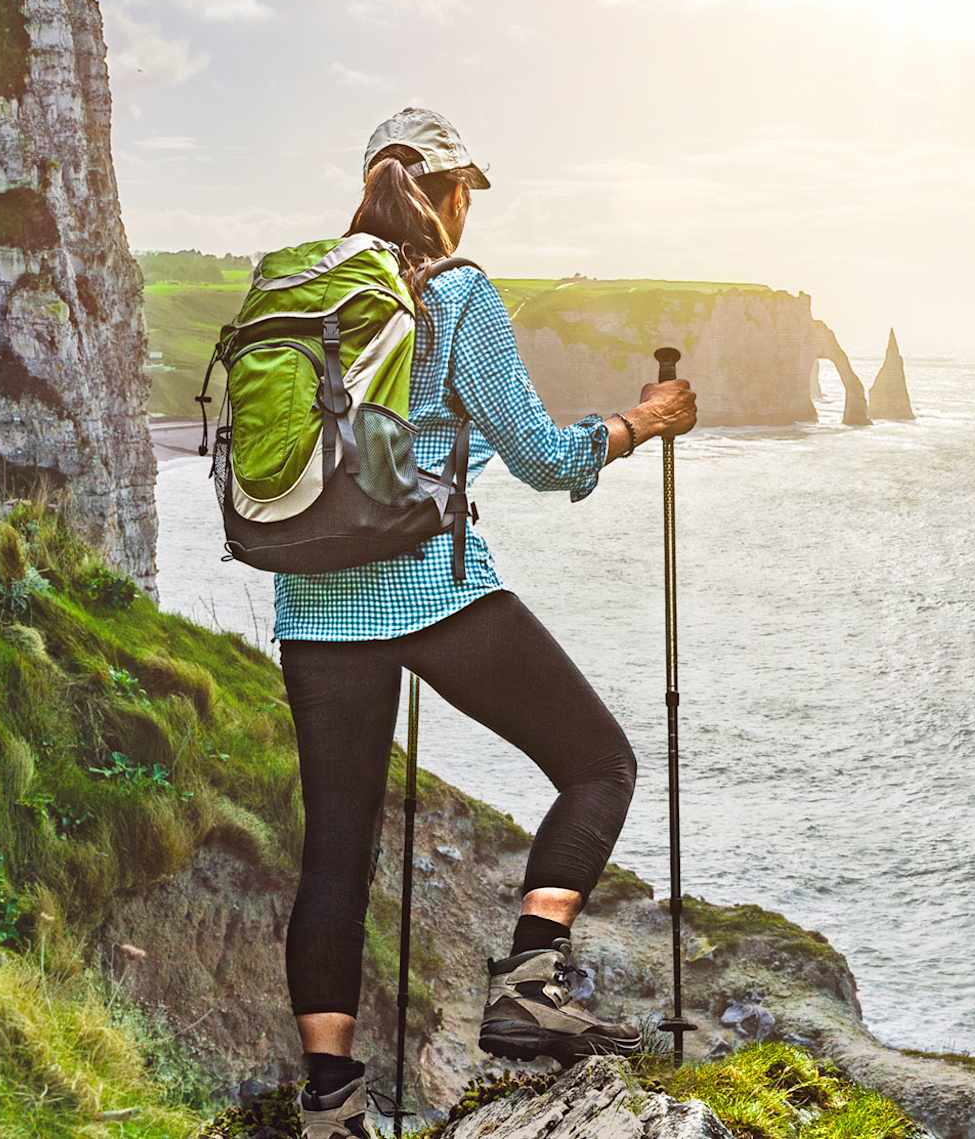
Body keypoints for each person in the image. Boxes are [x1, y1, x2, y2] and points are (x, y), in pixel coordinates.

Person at [279, 105, 697, 1139]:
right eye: (470, 192)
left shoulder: (302, 289)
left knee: (335, 852)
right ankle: (528, 979)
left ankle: (329, 1100)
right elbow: (546, 455)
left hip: (312, 600)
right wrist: (639, 422)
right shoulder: (454, 291)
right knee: (600, 765)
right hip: (431, 589)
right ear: (450, 193)